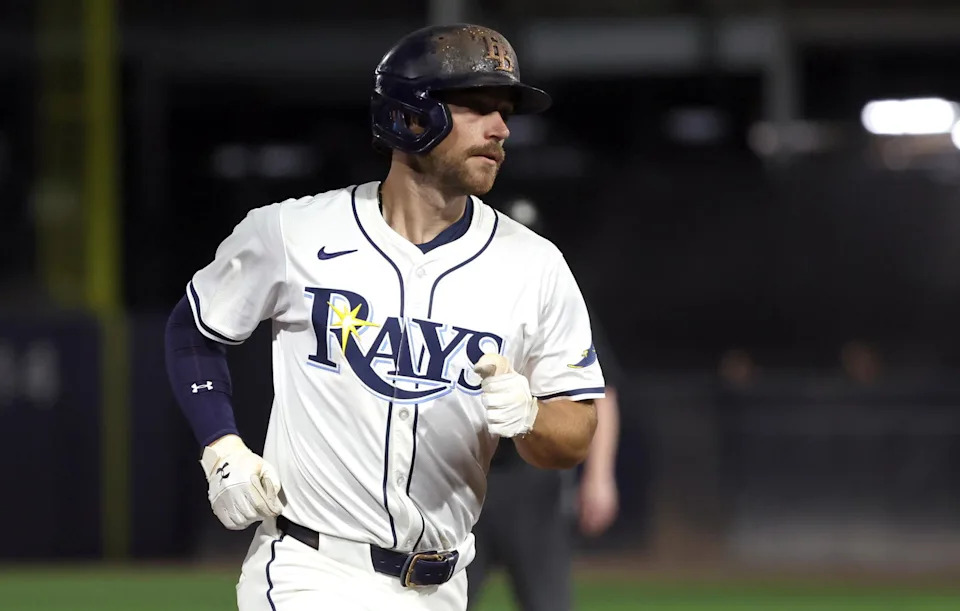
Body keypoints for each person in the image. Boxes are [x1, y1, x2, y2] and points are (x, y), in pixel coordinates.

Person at [164, 23, 605, 611]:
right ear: (409, 115)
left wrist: (529, 416)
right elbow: (193, 329)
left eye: (505, 112)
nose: (501, 129)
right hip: (310, 570)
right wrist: (221, 448)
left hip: (442, 584)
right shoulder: (293, 232)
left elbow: (576, 431)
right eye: (477, 107)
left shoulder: (535, 265)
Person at [466, 298, 621, 611]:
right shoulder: (447, 286)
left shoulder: (546, 285)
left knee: (548, 602)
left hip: (531, 477)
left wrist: (600, 477)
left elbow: (599, 392)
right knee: (438, 600)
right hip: (457, 474)